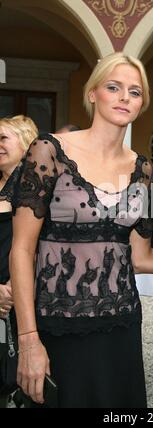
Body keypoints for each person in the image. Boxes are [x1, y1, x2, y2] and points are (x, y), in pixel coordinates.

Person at [10, 52, 153, 409]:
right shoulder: (49, 151)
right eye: (114, 87)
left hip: (121, 327)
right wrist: (29, 339)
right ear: (93, 93)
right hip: (56, 327)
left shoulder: (142, 169)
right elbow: (21, 249)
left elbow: (141, 258)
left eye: (135, 91)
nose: (125, 97)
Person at [0, 115, 38, 408]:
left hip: (23, 299)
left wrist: (16, 287)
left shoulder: (40, 192)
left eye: (3, 138)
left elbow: (44, 246)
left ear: (26, 144)